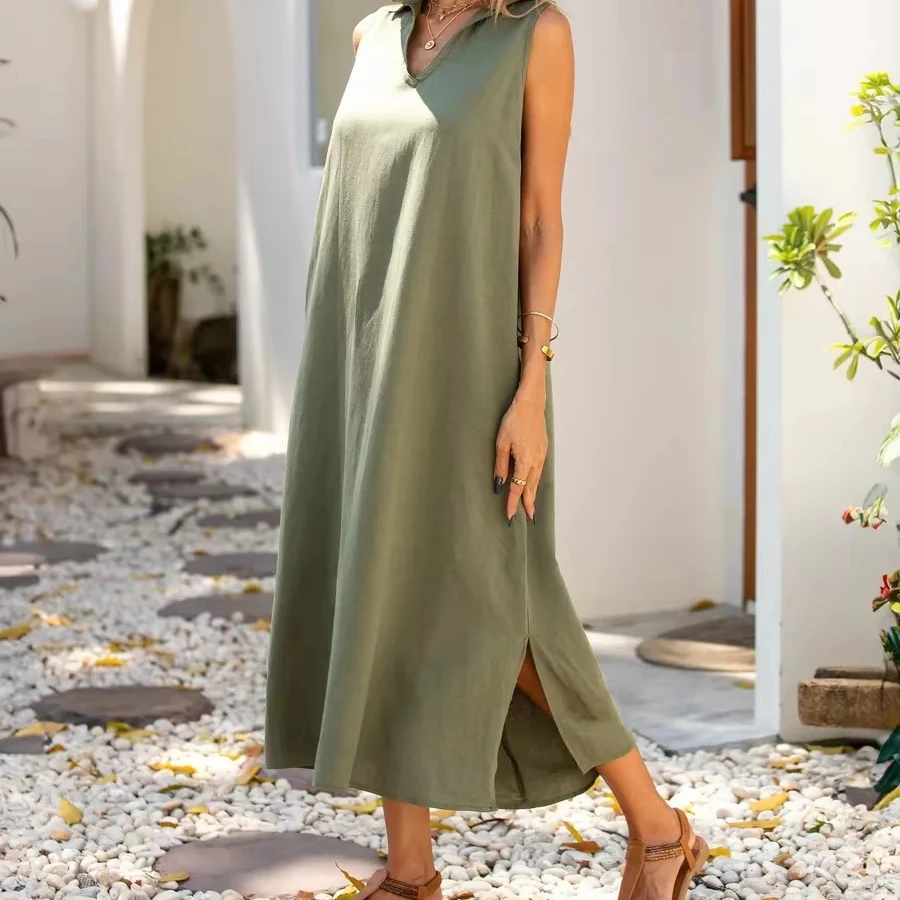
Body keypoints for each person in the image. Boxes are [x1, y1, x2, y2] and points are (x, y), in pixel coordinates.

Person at [265, 2, 709, 898]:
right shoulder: (372, 36)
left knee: (502, 604)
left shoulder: (536, 36)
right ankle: (410, 872)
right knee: (385, 591)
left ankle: (659, 828)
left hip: (471, 369)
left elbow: (541, 219)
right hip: (358, 365)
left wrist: (531, 386)